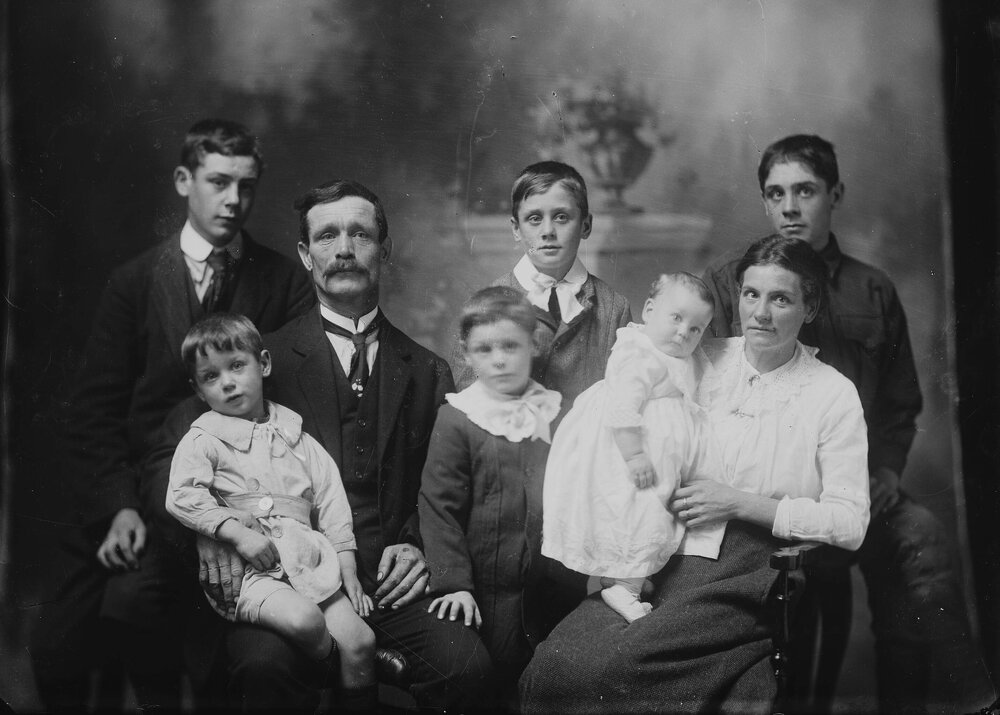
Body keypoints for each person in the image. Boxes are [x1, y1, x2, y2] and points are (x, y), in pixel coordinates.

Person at [152, 179, 495, 712]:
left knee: (467, 667)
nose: (344, 249)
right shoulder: (258, 360)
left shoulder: (428, 370)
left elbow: (448, 485)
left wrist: (417, 546)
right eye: (327, 236)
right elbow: (174, 449)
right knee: (262, 668)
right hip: (282, 577)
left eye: (361, 234)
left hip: (385, 584)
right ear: (305, 254)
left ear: (385, 250)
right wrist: (212, 530)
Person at [703, 134, 995, 711]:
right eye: (776, 194)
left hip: (855, 484)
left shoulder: (871, 288)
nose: (790, 207)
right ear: (763, 202)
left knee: (921, 545)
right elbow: (704, 385)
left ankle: (951, 703)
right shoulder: (735, 278)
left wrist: (884, 472)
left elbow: (900, 402)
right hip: (764, 487)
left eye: (806, 191)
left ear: (835, 194)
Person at [29, 119, 314, 712]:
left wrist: (225, 519)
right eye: (218, 182)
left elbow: (286, 399)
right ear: (184, 180)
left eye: (246, 185)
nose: (234, 200)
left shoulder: (284, 281)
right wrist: (118, 507)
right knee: (69, 640)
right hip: (146, 494)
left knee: (234, 651)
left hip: (248, 495)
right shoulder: (134, 282)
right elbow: (95, 411)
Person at [520, 235, 870, 713]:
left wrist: (740, 503)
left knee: (616, 670)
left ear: (809, 309)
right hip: (658, 554)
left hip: (748, 567)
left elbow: (850, 523)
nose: (761, 313)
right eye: (751, 294)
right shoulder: (698, 355)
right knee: (553, 667)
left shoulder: (832, 393)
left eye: (781, 299)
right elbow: (621, 410)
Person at [165, 313, 379, 711]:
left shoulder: (296, 435)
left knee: (362, 641)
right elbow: (181, 495)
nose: (227, 382)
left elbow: (331, 499)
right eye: (211, 376)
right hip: (251, 574)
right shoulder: (203, 439)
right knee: (306, 621)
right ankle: (333, 670)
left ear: (263, 364)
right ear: (198, 389)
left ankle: (349, 668)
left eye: (237, 366)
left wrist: (347, 565)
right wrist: (235, 532)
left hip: (308, 562)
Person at [542, 272, 716, 623]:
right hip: (627, 450)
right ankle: (625, 586)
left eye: (696, 329)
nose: (684, 332)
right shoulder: (638, 353)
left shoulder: (676, 357)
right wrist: (634, 455)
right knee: (638, 512)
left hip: (657, 453)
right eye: (676, 318)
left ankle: (627, 573)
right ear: (649, 310)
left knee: (652, 512)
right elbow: (622, 409)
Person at [418, 287, 562, 703]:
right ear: (466, 355)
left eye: (510, 346)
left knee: (546, 681)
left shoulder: (552, 411)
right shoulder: (458, 419)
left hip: (545, 589)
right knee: (485, 683)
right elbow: (438, 508)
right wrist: (454, 584)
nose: (499, 360)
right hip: (480, 591)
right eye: (484, 349)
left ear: (533, 345)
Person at [452, 160, 631, 411]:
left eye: (561, 217)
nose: (548, 231)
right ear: (516, 229)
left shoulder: (614, 309)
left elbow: (625, 399)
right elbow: (468, 403)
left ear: (586, 225)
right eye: (534, 219)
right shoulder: (482, 308)